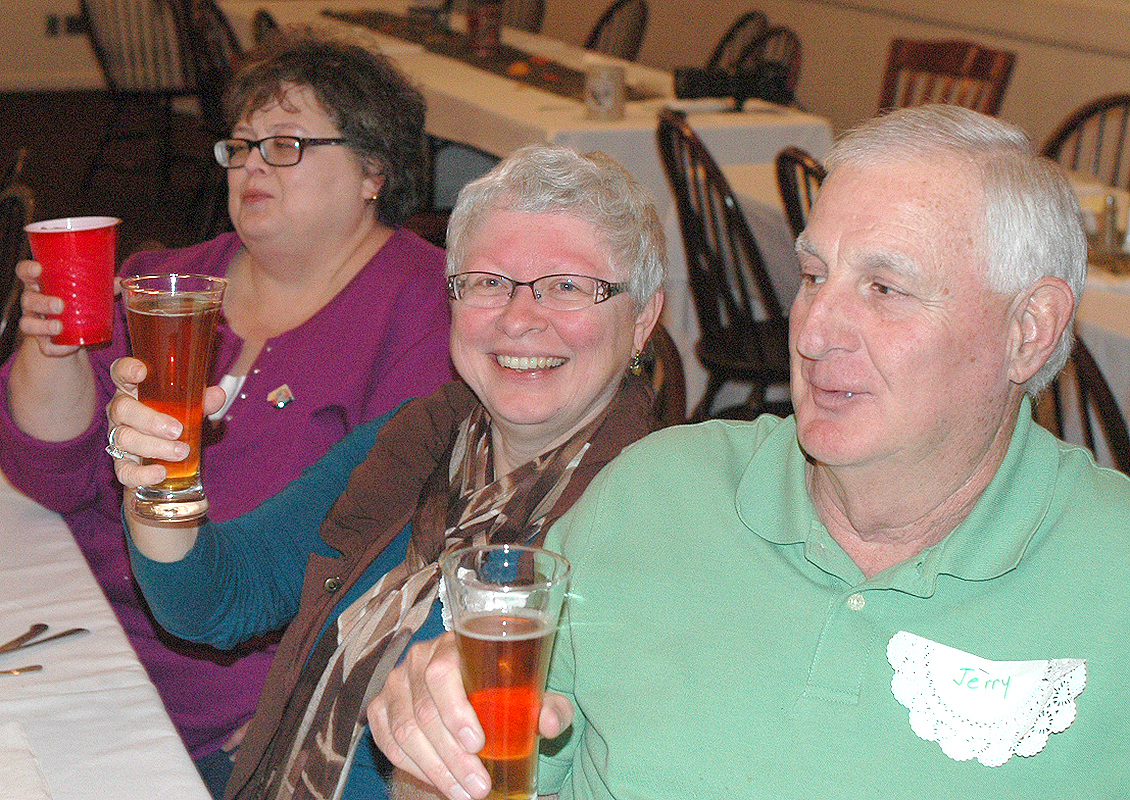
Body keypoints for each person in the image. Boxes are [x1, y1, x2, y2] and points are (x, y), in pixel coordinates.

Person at [367, 104, 1130, 799]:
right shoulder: (655, 494)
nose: (814, 328)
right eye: (812, 276)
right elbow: (482, 776)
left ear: (1027, 329)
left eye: (885, 289)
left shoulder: (1111, 572)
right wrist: (430, 757)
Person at [107, 143, 667, 800]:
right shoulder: (417, 442)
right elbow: (216, 600)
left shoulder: (651, 514)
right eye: (488, 282)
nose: (520, 319)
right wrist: (158, 480)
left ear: (643, 320)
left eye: (568, 287)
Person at [0, 29, 453, 797]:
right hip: (92, 637)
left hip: (237, 689)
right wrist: (53, 345)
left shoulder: (422, 304)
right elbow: (52, 474)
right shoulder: (165, 281)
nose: (249, 164)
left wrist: (306, 690)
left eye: (284, 144)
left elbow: (406, 531)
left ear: (373, 169)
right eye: (239, 146)